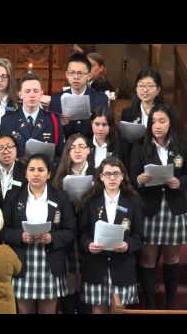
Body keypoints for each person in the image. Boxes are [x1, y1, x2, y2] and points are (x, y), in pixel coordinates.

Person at [0, 153, 76, 314]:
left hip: (50, 260)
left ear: (48, 174)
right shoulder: (13, 196)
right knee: (24, 310)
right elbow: (3, 231)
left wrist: (51, 237)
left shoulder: (60, 197)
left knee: (48, 311)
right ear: (26, 173)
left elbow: (70, 231)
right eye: (31, 169)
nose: (36, 174)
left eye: (41, 170)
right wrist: (20, 236)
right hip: (22, 260)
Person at [131, 104, 187, 309]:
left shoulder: (181, 146)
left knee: (172, 257)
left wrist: (180, 182)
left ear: (170, 122)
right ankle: (151, 306)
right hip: (150, 207)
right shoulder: (140, 146)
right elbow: (131, 176)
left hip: (174, 206)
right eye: (153, 121)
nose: (157, 125)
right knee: (148, 257)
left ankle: (171, 304)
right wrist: (140, 178)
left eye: (162, 121)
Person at [79, 156, 143, 313]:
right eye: (107, 174)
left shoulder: (133, 201)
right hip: (96, 266)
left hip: (122, 268)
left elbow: (139, 236)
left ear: (122, 176)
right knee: (98, 310)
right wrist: (88, 245)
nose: (112, 178)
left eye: (116, 173)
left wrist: (127, 245)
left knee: (118, 310)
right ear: (101, 177)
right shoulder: (90, 201)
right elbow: (82, 233)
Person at [52, 133, 94, 314]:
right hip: (67, 233)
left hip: (89, 233)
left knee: (87, 282)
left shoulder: (98, 174)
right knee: (69, 282)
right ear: (67, 152)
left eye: (81, 147)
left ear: (88, 151)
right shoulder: (59, 176)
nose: (77, 151)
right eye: (72, 147)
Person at [0, 72, 65, 166]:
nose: (32, 95)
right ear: (20, 94)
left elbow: (60, 154)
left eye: (35, 91)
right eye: (27, 91)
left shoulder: (52, 120)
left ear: (41, 93)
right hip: (17, 174)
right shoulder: (8, 121)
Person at [50, 53, 109, 139]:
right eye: (72, 73)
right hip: (66, 148)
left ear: (88, 76)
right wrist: (60, 123)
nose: (76, 77)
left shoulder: (100, 99)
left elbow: (104, 129)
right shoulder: (56, 100)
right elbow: (52, 132)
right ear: (67, 75)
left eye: (80, 73)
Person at [0, 134, 27, 210]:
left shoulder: (26, 171)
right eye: (1, 148)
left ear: (16, 149)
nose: (6, 151)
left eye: (10, 146)